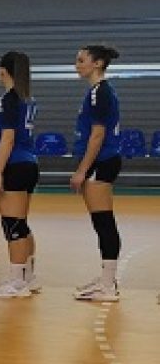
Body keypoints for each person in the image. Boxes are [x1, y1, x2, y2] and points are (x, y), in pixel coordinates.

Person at [0, 51, 41, 299]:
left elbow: (7, 139)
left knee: (13, 224)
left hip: (15, 164)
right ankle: (27, 277)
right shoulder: (27, 98)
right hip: (29, 163)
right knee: (21, 222)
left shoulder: (9, 99)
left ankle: (17, 281)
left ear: (3, 70)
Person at [72, 44, 123, 303]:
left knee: (104, 222)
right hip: (101, 161)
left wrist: (82, 170)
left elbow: (98, 135)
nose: (77, 65)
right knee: (100, 222)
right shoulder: (97, 92)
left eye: (82, 60)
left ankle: (108, 285)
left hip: (101, 162)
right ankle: (106, 279)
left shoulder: (100, 92)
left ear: (98, 64)